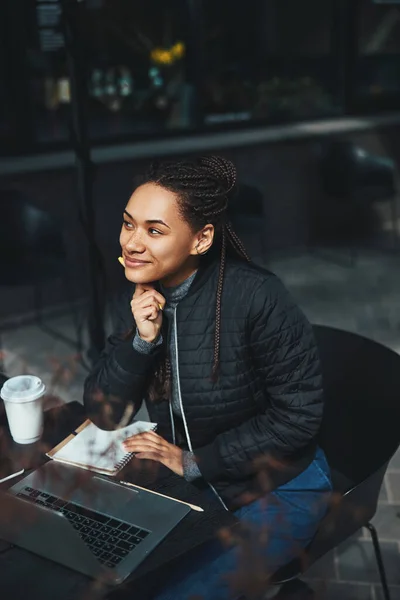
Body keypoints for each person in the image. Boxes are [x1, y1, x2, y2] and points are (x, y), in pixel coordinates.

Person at [84, 156, 332, 600]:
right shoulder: (145, 292)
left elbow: (299, 417)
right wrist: (142, 342)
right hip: (195, 490)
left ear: (200, 239)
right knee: (109, 579)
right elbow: (105, 413)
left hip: (279, 487)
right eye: (128, 224)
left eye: (154, 230)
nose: (133, 242)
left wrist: (193, 462)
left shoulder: (256, 297)